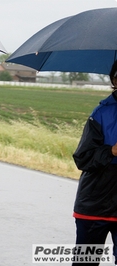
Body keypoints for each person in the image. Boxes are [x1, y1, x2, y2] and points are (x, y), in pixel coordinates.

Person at [72, 60, 117, 266]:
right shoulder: (100, 114)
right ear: (114, 80)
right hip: (95, 205)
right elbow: (83, 157)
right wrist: (111, 151)